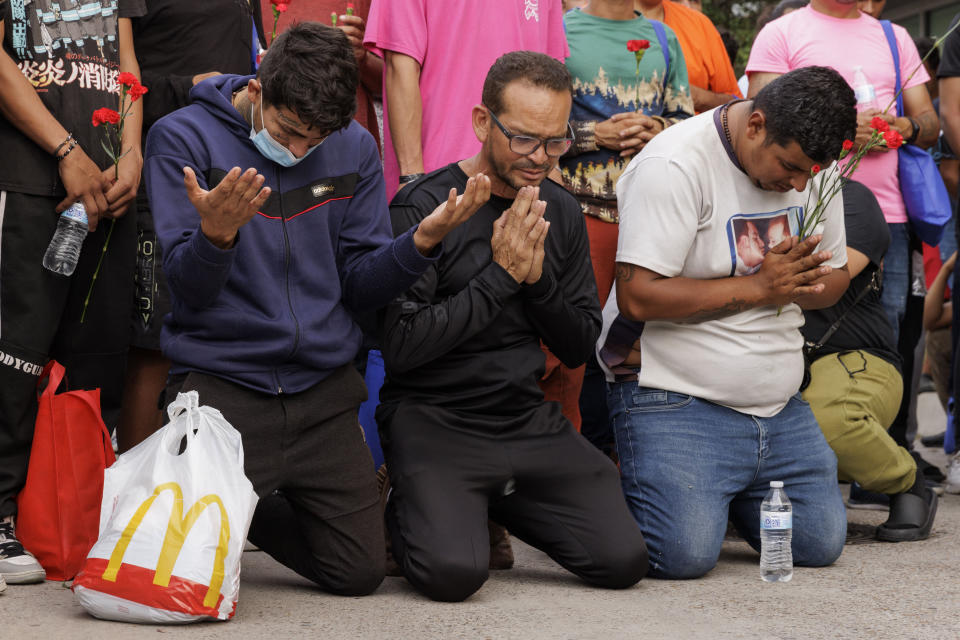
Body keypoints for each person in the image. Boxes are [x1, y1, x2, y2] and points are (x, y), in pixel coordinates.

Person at [145, 22, 486, 596]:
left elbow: (359, 285)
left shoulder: (352, 145)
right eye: (290, 131)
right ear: (257, 88)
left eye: (317, 139)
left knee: (358, 574)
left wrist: (420, 244)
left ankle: (242, 503)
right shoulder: (182, 138)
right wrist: (216, 237)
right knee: (185, 577)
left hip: (322, 393)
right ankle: (224, 495)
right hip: (224, 386)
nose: (302, 150)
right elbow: (187, 292)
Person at [378, 51, 649, 602]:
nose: (540, 158)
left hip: (522, 418)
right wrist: (500, 277)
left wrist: (535, 280)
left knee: (622, 560)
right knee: (453, 576)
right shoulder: (427, 205)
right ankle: (410, 506)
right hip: (434, 417)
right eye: (524, 139)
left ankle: (489, 499)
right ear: (483, 122)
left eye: (555, 142)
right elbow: (402, 347)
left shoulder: (560, 210)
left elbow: (577, 346)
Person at [603, 66, 855, 578]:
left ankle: (722, 489)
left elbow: (838, 274)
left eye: (813, 171)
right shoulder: (675, 164)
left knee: (817, 543)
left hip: (780, 403)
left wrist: (807, 280)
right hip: (675, 394)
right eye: (790, 167)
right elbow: (637, 298)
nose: (799, 184)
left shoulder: (814, 167)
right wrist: (762, 287)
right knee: (682, 556)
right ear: (756, 124)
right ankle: (668, 488)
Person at [0, 0, 146, 585]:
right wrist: (67, 153)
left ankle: (77, 518)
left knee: (94, 360)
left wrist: (131, 153)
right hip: (30, 181)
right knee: (14, 354)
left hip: (108, 190)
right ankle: (2, 515)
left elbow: (126, 68)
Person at [119, 0, 269, 452]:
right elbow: (111, 80)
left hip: (235, 173)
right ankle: (134, 498)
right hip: (165, 172)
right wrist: (188, 87)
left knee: (223, 332)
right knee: (156, 343)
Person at [562, 0, 693, 444]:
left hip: (653, 217)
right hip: (579, 213)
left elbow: (686, 122)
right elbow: (531, 124)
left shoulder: (664, 37)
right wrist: (593, 135)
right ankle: (563, 463)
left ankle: (635, 459)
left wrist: (657, 127)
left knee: (643, 349)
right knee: (568, 347)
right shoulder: (559, 31)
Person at [803, 181, 938, 542]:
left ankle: (906, 481)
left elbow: (828, 279)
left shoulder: (849, 197)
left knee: (830, 420)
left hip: (850, 353)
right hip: (759, 356)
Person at [363, 0, 568, 200]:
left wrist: (551, 167)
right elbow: (401, 67)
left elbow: (551, 78)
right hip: (439, 183)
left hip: (525, 180)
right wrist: (413, 179)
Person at [635, 0, 742, 113]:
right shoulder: (616, 22)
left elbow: (736, 105)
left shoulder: (698, 23)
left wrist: (692, 95)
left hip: (689, 127)